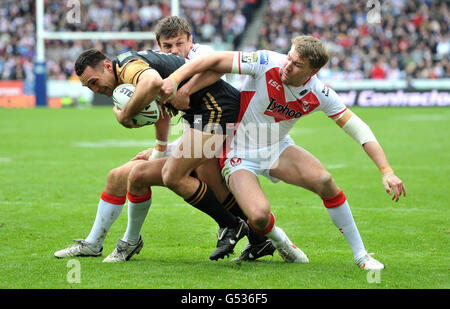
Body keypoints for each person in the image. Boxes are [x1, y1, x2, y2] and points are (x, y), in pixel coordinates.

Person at [159, 35, 407, 269]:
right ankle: (281, 242)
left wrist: (386, 171)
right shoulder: (266, 62)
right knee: (257, 216)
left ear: (313, 72)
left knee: (325, 180)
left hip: (275, 146)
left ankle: (361, 255)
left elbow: (358, 128)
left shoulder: (319, 93)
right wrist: (177, 82)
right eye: (289, 57)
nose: (287, 65)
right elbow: (211, 61)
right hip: (238, 153)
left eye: (297, 64)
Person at [55, 16, 274, 262]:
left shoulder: (128, 66)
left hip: (217, 110)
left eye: (94, 83)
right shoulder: (130, 72)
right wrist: (160, 149)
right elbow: (160, 108)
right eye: (89, 87)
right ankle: (98, 243)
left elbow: (152, 83)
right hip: (204, 116)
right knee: (127, 175)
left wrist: (125, 115)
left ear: (107, 66)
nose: (95, 90)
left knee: (175, 176)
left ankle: (236, 227)